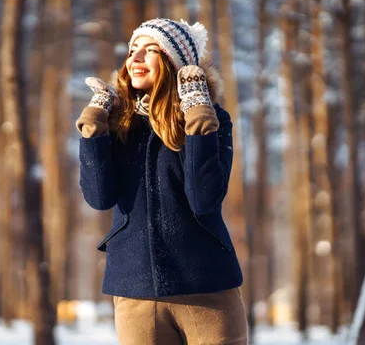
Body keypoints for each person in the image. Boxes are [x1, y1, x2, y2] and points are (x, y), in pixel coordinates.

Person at [76, 18, 247, 344]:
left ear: (174, 62)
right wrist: (95, 130)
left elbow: (203, 197)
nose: (135, 59)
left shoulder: (214, 119)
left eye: (150, 50)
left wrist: (197, 113)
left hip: (207, 288)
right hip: (136, 292)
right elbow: (99, 197)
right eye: (132, 50)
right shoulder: (121, 124)